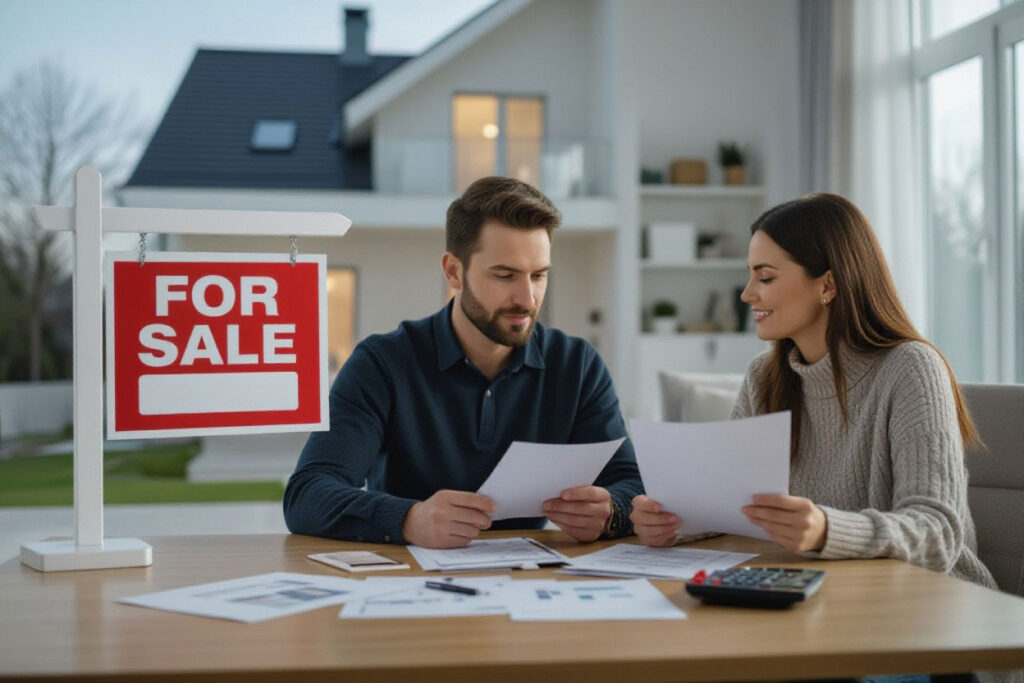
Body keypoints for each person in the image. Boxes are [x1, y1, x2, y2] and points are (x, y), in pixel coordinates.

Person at [631, 193, 996, 590]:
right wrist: (674, 524)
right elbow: (731, 507)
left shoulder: (910, 368)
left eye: (765, 276)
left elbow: (938, 533)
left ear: (828, 284)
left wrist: (826, 530)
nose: (747, 293)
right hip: (826, 596)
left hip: (935, 606)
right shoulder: (764, 377)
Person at [285, 176, 642, 548]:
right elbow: (307, 494)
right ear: (454, 271)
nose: (527, 298)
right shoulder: (382, 363)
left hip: (535, 582)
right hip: (410, 582)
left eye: (539, 276)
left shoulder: (577, 365)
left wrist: (610, 512)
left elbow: (631, 483)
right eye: (504, 275)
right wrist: (409, 519)